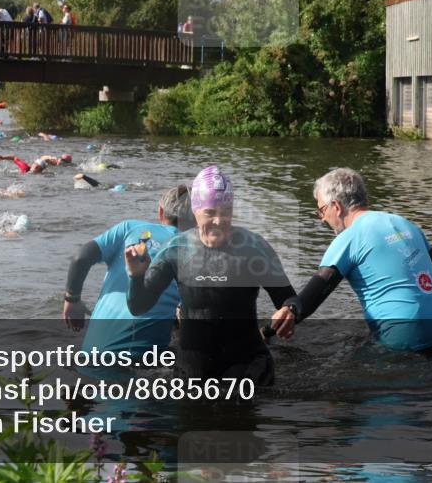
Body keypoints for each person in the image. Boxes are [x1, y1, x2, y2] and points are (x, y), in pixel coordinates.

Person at [126, 165, 296, 385]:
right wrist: (136, 277)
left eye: (225, 212)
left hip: (247, 367)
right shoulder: (175, 249)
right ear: (196, 212)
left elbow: (288, 298)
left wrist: (290, 311)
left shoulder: (253, 247)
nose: (218, 220)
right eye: (210, 213)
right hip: (192, 369)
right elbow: (138, 306)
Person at [269, 168, 432, 352]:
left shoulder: (349, 237)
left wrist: (288, 312)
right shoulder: (406, 224)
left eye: (322, 210)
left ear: (336, 206)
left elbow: (314, 295)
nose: (322, 219)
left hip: (404, 340)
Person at [64, 185, 193, 354]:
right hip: (146, 361)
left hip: (93, 355)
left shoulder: (129, 228)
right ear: (197, 220)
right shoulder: (197, 249)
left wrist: (72, 300)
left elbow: (80, 258)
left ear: (160, 212)